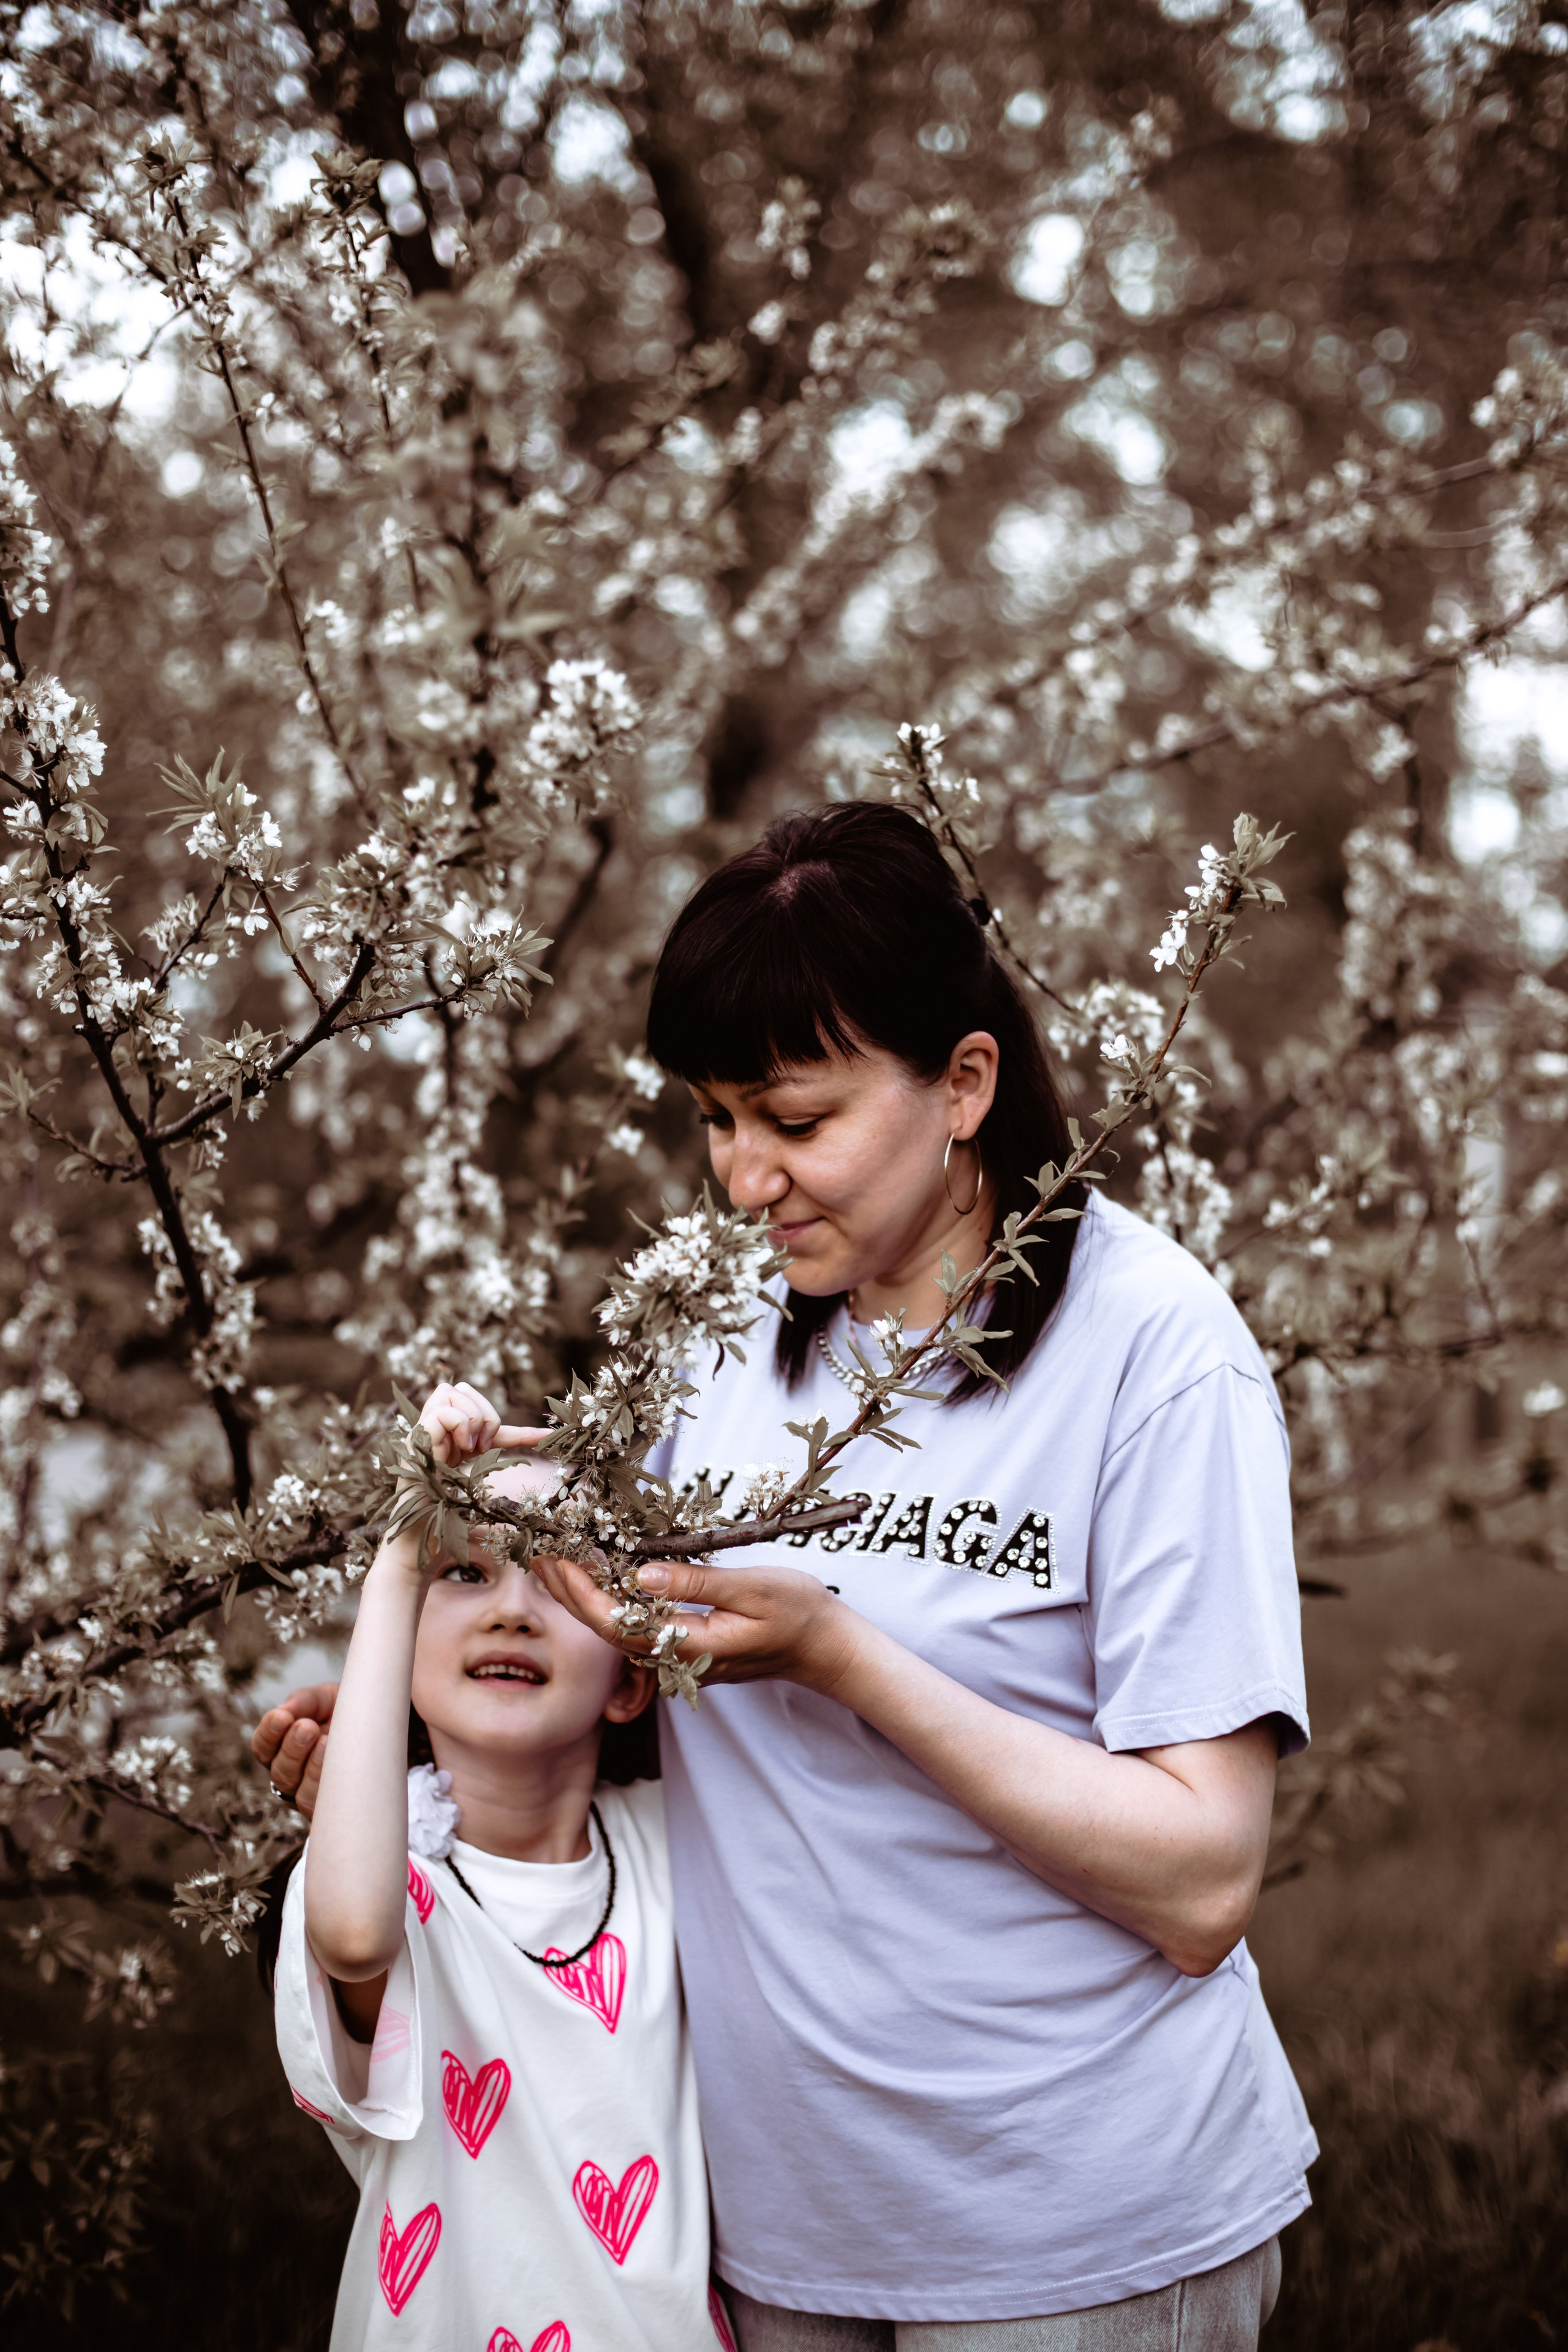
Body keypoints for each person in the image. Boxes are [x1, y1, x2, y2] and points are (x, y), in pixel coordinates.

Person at [258, 802, 1316, 2350]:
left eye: (792, 1119)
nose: (742, 1180)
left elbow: (1203, 1882)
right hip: (765, 2232)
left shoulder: (1151, 1358)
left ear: (963, 1084)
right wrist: (391, 1753)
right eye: (710, 1120)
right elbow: (604, 1674)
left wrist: (844, 1656)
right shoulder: (709, 1347)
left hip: (1076, 2237)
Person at [266, 1379, 724, 2352]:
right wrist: (400, 1548)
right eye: (465, 1572)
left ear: (631, 1677)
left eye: (562, 1580)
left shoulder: (674, 1845)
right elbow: (352, 1940)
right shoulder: (393, 1886)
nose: (513, 1610)